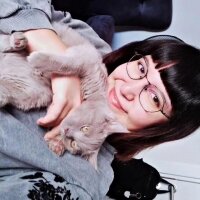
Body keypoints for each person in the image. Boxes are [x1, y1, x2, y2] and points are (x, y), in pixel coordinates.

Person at [0, 1, 200, 200]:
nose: (127, 89)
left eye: (154, 98)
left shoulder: (81, 182)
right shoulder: (93, 44)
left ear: (162, 128)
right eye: (141, 68)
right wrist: (51, 47)